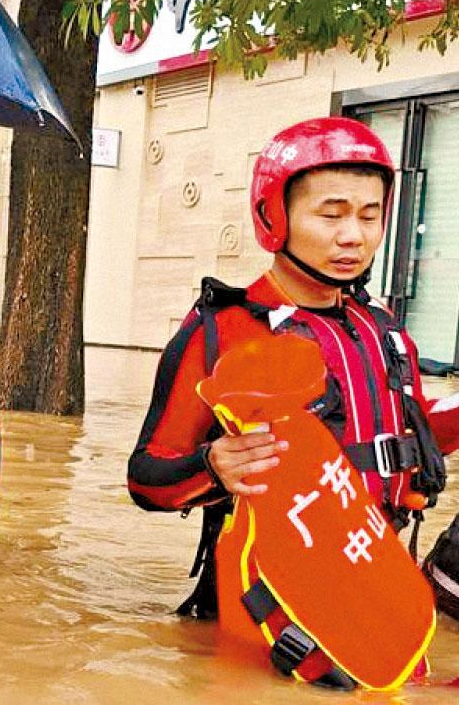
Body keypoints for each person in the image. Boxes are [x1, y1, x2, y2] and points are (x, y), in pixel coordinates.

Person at [128, 117, 459, 687]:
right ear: (274, 217)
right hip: (264, 608)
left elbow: (409, 437)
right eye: (330, 215)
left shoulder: (383, 330)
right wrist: (212, 466)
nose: (352, 236)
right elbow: (146, 479)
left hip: (374, 588)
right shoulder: (221, 330)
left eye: (370, 215)